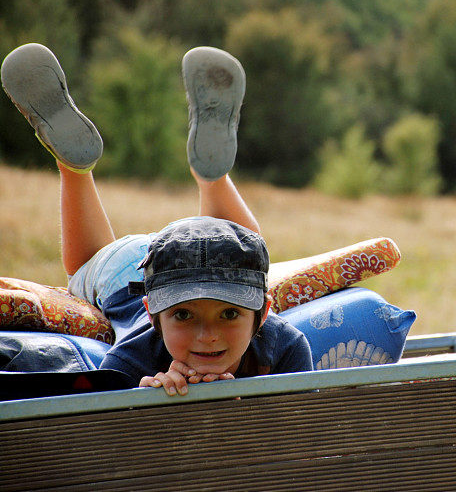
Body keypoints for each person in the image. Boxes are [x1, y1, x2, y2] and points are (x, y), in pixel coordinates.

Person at [1, 43, 313, 395]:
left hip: (150, 263)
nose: (207, 335)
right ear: (150, 316)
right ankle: (204, 176)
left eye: (228, 314)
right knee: (243, 254)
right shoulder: (137, 357)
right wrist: (146, 397)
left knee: (246, 247)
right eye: (184, 315)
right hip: (129, 274)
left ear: (265, 312)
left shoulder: (285, 345)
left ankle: (81, 168)